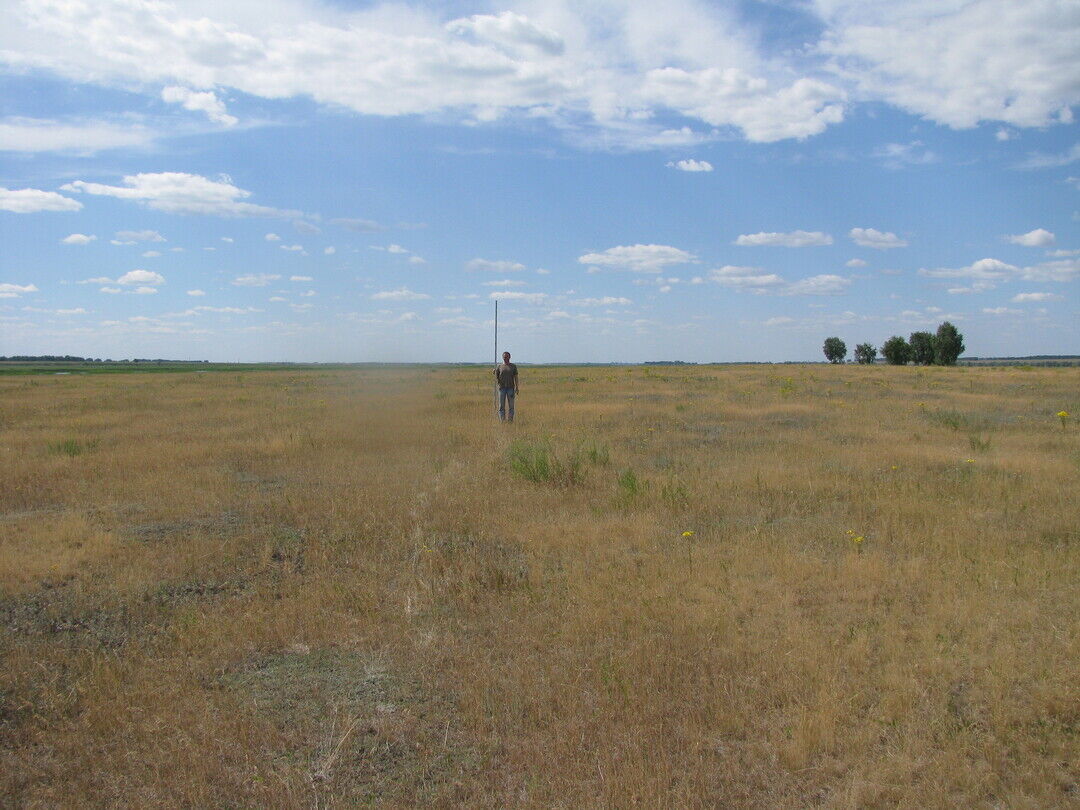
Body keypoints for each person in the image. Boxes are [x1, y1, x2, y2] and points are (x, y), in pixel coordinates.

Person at [494, 351, 519, 422]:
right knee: (501, 406)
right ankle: (503, 421)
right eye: (504, 357)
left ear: (509, 357)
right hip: (502, 389)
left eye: (507, 357)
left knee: (511, 406)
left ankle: (510, 421)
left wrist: (517, 387)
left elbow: (516, 377)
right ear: (502, 357)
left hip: (510, 388)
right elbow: (497, 377)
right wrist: (494, 372)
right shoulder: (499, 366)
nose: (505, 358)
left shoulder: (513, 366)